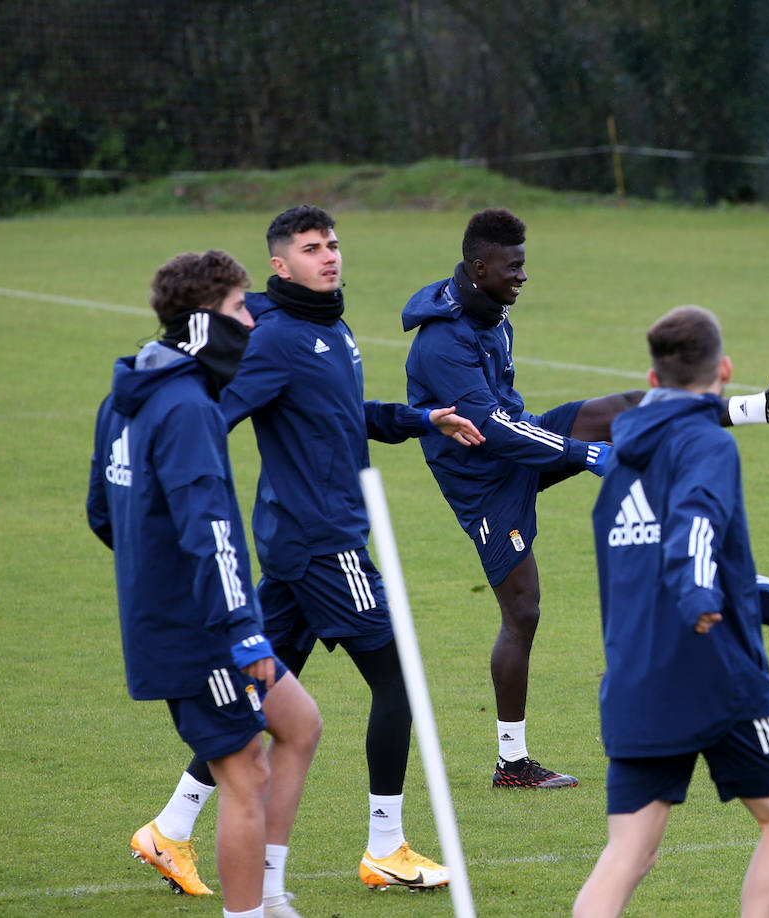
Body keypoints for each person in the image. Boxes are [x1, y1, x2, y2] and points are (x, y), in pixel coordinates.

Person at [132, 206, 484, 899]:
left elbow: (341, 417)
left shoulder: (331, 327)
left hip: (300, 549)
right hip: (323, 546)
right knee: (399, 682)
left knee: (258, 697)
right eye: (311, 248)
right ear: (278, 264)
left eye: (333, 244)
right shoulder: (277, 339)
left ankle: (169, 831)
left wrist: (421, 418)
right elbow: (211, 416)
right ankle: (386, 846)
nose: (329, 257)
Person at [402, 209, 769, 788]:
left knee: (617, 410)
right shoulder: (442, 343)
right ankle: (511, 764)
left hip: (517, 444)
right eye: (514, 266)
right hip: (484, 482)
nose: (523, 276)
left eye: (524, 264)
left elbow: (510, 420)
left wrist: (577, 444)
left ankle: (761, 407)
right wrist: (589, 456)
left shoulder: (492, 311)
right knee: (523, 610)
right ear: (480, 266)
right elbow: (491, 430)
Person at [88, 250, 323, 918]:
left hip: (182, 614)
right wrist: (242, 630)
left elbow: (103, 513)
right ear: (202, 322)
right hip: (203, 628)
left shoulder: (126, 393)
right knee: (246, 770)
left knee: (299, 724)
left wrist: (151, 575)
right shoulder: (188, 408)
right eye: (240, 308)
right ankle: (248, 913)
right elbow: (211, 530)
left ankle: (271, 894)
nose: (251, 322)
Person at [573, 305, 769, 918]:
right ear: (726, 370)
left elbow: (653, 566)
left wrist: (764, 597)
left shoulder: (620, 464)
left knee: (629, 852)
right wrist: (701, 596)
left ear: (652, 382)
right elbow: (694, 526)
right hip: (714, 672)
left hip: (634, 679)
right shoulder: (709, 444)